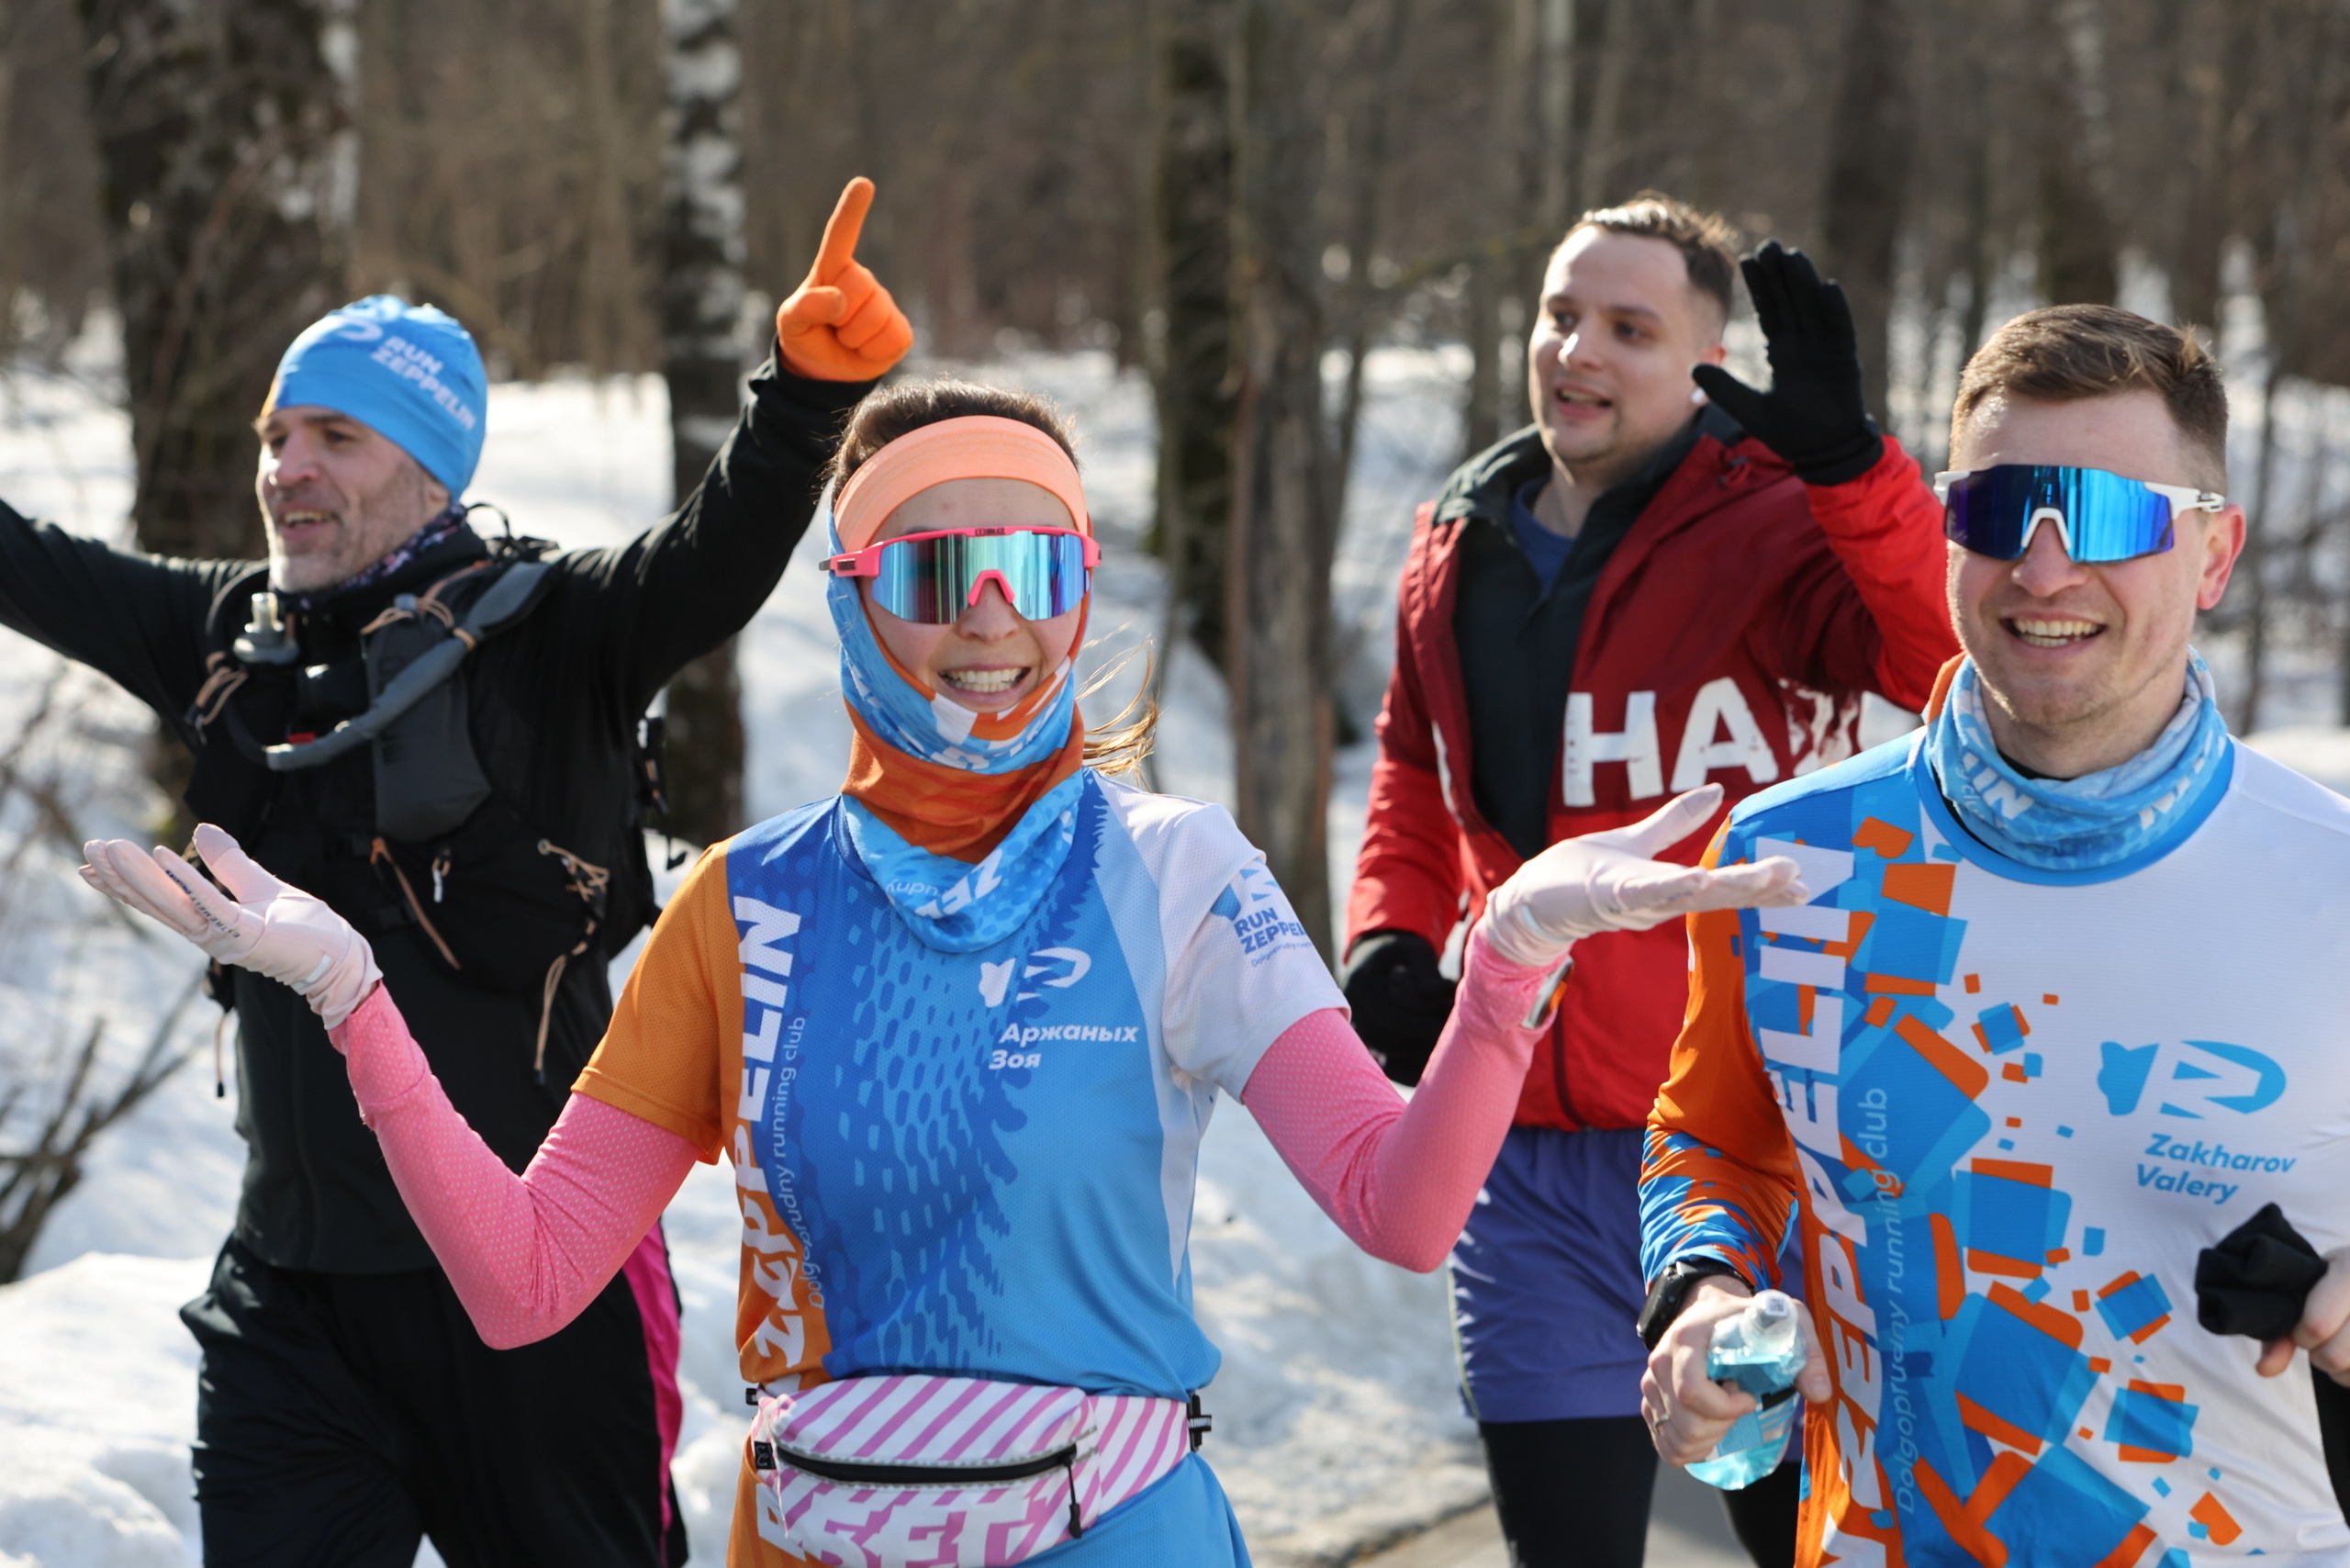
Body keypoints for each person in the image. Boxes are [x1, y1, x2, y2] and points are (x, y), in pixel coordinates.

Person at [80, 376, 1814, 1566]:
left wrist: (1505, 962)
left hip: (1117, 1532)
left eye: (1035, 567)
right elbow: (532, 1282)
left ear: (1080, 587)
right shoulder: (744, 910)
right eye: (937, 571)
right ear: (851, 599)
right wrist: (351, 1000)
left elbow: (1401, 1207)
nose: (993, 619)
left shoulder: (1173, 873)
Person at [0, 181, 913, 1566]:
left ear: (432, 467)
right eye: (276, 435)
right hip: (295, 1298)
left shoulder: (557, 632)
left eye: (335, 437)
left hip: (533, 1287)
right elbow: (30, 564)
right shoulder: (225, 639)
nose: (285, 467)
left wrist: (799, 400)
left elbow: (714, 554)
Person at [1638, 303, 2350, 1564]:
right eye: (1996, 507)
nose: (2043, 566)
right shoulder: (1786, 862)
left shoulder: (2331, 882)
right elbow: (1715, 1144)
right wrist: (1699, 1295)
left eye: (2114, 516)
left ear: (2216, 555)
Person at [1339, 193, 1958, 1565]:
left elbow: (1935, 661)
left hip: (1747, 1161)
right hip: (1531, 1164)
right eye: (1564, 316)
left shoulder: (1781, 527)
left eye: (1631, 328)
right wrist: (1388, 928)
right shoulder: (1461, 539)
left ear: (1702, 362)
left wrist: (1852, 468)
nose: (1580, 351)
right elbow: (1408, 759)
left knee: (1804, 1547)